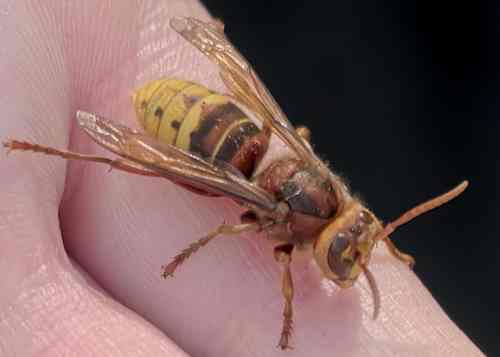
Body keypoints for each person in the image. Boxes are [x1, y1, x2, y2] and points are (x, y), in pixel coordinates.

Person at [0, 1, 483, 355]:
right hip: (209, 144)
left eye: (350, 248)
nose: (355, 254)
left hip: (248, 127)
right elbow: (236, 227)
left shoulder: (320, 184)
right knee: (151, 163)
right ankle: (49, 149)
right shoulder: (282, 222)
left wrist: (386, 248)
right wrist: (208, 250)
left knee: (269, 118)